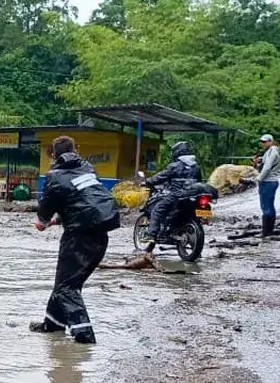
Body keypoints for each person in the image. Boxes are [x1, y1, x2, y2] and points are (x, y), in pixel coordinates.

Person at [30, 136, 121, 345]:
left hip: (79, 237)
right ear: (75, 151)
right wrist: (58, 220)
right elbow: (83, 202)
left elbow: (45, 210)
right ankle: (52, 325)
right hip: (100, 233)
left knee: (67, 288)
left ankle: (84, 338)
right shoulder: (88, 168)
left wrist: (43, 222)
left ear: (54, 156)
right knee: (64, 282)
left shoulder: (55, 176)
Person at [141, 141, 201, 243]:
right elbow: (199, 180)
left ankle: (151, 235)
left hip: (177, 196)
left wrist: (147, 181)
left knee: (158, 209)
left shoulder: (174, 166)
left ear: (177, 152)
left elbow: (160, 177)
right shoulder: (196, 167)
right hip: (194, 196)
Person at [254, 134, 280, 237]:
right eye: (262, 142)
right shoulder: (271, 151)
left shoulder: (272, 151)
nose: (263, 144)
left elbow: (266, 168)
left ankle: (265, 232)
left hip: (268, 182)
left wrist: (258, 179)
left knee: (265, 207)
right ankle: (269, 230)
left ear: (271, 142)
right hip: (271, 181)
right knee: (270, 206)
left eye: (265, 142)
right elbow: (265, 163)